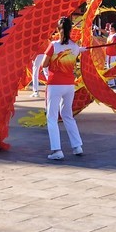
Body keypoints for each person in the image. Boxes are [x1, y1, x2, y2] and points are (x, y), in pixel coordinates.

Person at [43, 16, 87, 161]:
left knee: (52, 117)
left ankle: (56, 149)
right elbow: (75, 52)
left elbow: (44, 64)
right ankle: (77, 146)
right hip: (69, 85)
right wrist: (80, 49)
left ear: (58, 29)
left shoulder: (53, 45)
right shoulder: (74, 46)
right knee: (67, 115)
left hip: (55, 84)